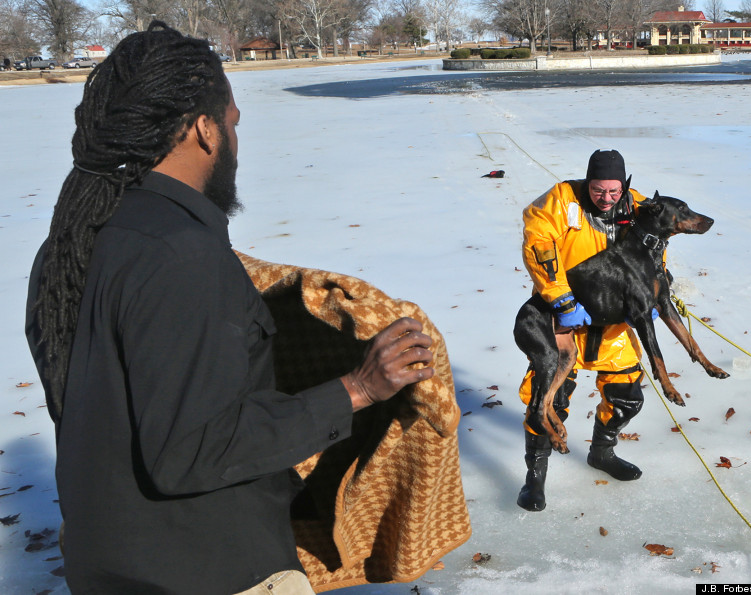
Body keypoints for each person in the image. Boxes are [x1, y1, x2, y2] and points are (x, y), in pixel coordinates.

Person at [25, 22, 434, 594]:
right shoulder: (181, 253)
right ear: (204, 130)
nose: (237, 141)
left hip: (105, 564)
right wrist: (357, 390)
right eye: (233, 123)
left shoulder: (70, 244)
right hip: (209, 571)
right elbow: (192, 448)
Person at [517, 149, 656, 512]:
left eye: (613, 191)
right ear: (587, 182)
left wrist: (652, 295)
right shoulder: (560, 201)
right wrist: (561, 299)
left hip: (613, 323)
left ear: (624, 185)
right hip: (564, 319)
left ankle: (602, 453)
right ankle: (535, 476)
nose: (606, 198)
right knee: (548, 401)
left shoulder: (639, 208)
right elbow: (538, 242)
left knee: (627, 396)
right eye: (598, 190)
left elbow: (655, 251)